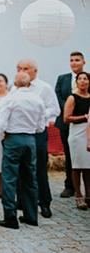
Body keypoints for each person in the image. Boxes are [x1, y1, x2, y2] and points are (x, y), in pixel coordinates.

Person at [0, 72, 47, 229]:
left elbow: (1, 124)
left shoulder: (10, 98)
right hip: (30, 139)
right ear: (29, 84)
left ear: (14, 85)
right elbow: (41, 126)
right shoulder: (37, 99)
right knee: (30, 177)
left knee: (9, 178)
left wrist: (3, 131)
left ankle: (10, 217)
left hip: (13, 138)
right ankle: (31, 216)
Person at [15, 58, 60, 218]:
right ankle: (21, 201)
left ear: (35, 71)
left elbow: (55, 109)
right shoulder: (15, 87)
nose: (21, 71)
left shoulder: (44, 88)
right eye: (19, 68)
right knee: (20, 167)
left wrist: (37, 114)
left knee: (39, 166)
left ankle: (44, 203)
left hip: (37, 131)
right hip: (19, 132)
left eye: (25, 68)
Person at [55, 52, 86, 198]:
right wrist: (68, 106)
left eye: (77, 60)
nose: (74, 63)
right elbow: (58, 96)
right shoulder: (63, 79)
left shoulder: (87, 78)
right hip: (66, 122)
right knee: (69, 155)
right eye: (72, 60)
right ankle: (70, 186)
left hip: (84, 123)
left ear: (83, 62)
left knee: (86, 156)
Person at [62, 71, 90, 210]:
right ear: (77, 82)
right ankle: (78, 195)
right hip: (77, 133)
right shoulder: (72, 98)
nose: (83, 81)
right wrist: (85, 116)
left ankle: (88, 195)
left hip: (89, 133)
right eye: (80, 79)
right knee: (77, 165)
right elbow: (66, 118)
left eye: (86, 79)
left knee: (88, 166)